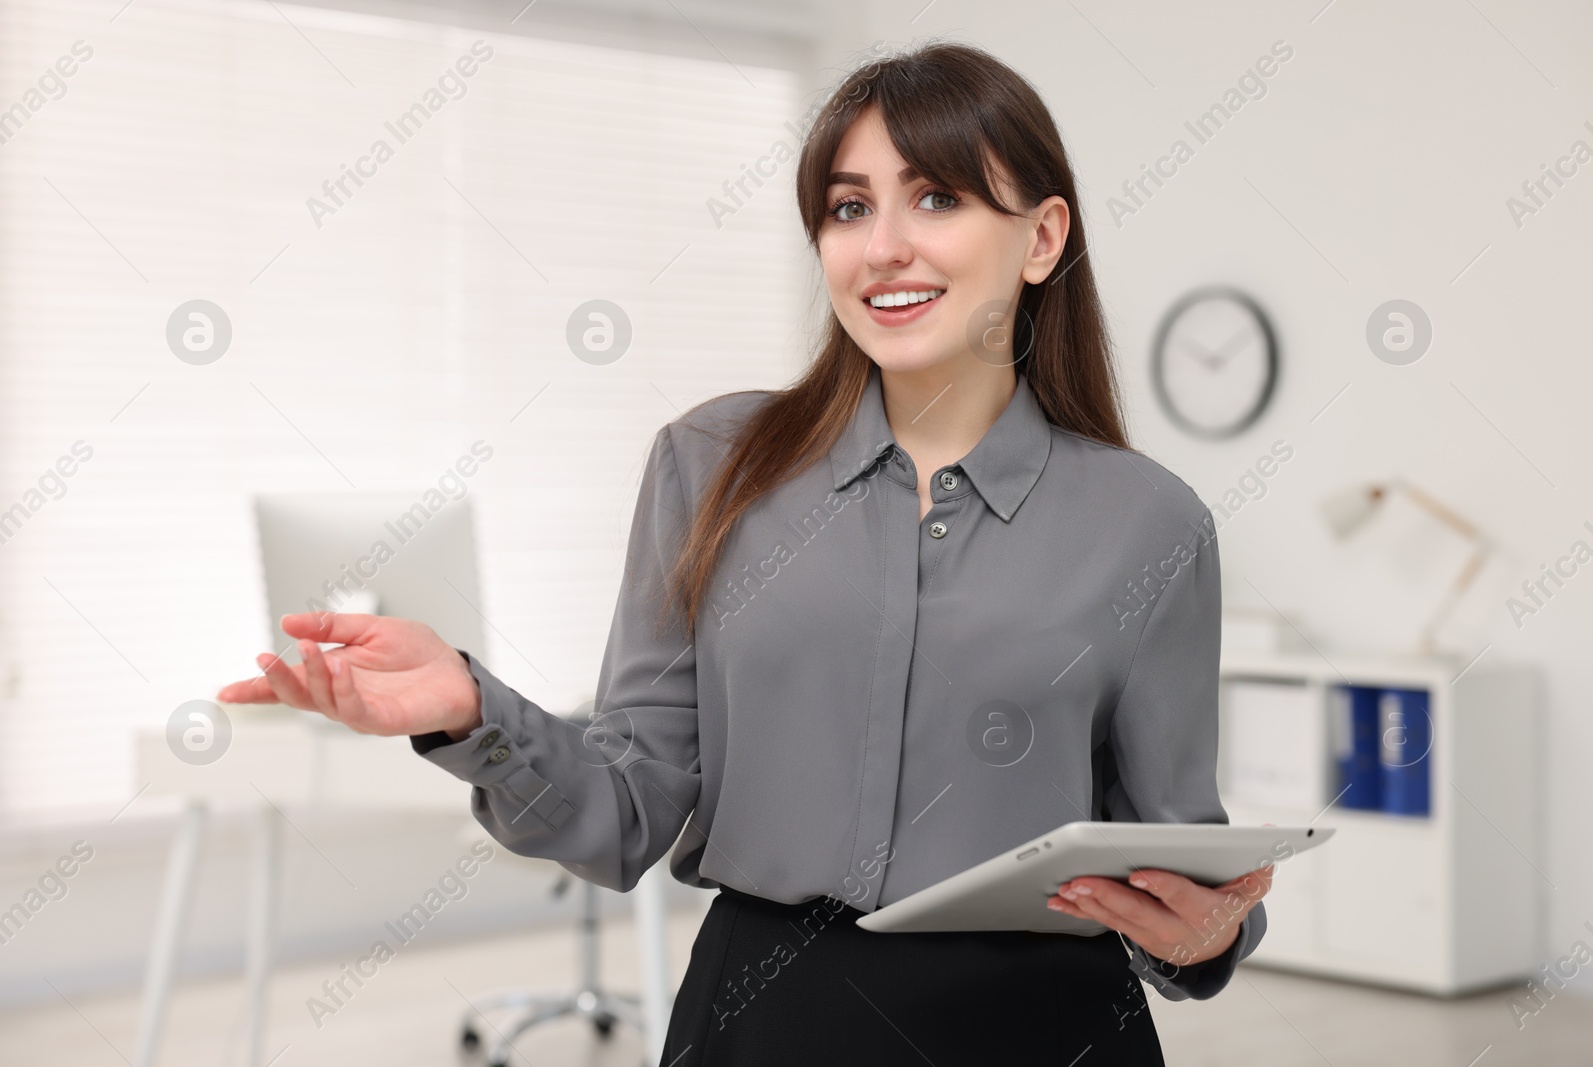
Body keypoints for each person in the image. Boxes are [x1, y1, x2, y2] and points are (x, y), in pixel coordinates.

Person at [218, 39, 1272, 1065]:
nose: (882, 246)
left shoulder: (1150, 523)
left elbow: (1175, 860)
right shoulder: (712, 466)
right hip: (770, 1017)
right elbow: (621, 812)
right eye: (848, 207)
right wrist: (468, 712)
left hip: (1044, 1024)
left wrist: (1205, 937)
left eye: (937, 198)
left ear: (1041, 238)